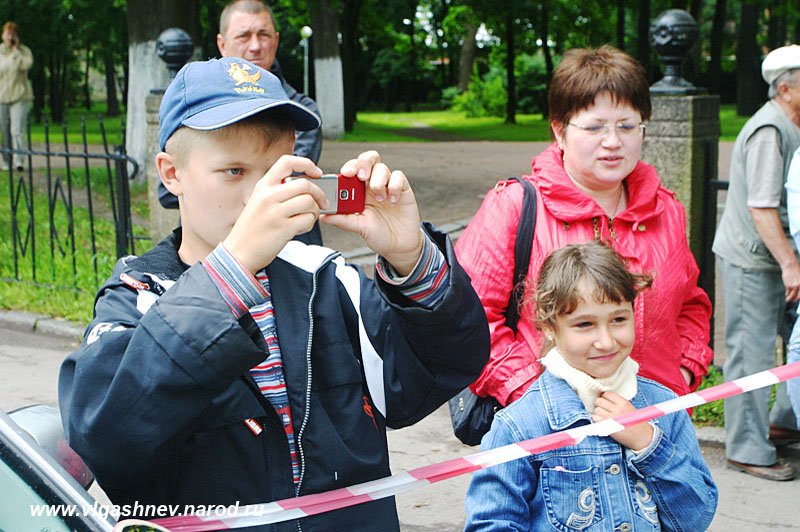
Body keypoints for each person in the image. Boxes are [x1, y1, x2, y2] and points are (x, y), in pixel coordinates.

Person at [58, 57, 489, 531]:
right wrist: (231, 269)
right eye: (234, 171)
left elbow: (435, 375)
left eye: (277, 175)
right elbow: (106, 438)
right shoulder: (138, 296)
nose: (260, 197)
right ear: (171, 173)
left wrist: (414, 259)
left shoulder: (326, 278)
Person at [455, 46, 713, 411]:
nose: (613, 142)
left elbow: (691, 306)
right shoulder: (514, 206)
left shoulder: (665, 210)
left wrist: (682, 374)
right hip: (552, 438)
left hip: (655, 423)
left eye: (627, 126)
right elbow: (468, 323)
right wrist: (537, 401)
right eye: (594, 127)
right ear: (559, 131)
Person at [464, 240, 718, 532]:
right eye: (584, 325)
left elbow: (696, 517)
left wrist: (649, 445)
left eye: (619, 319)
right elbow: (492, 525)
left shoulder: (665, 407)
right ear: (549, 326)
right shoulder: (518, 427)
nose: (607, 341)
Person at [158, 0, 324, 246]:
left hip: (293, 249)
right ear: (222, 44)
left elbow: (295, 178)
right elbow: (165, 194)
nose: (255, 46)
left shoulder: (302, 109)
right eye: (244, 36)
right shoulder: (193, 109)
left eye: (264, 35)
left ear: (276, 40)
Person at [713, 44, 800, 481]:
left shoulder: (791, 123)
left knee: (796, 341)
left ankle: (785, 419)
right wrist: (791, 264)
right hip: (755, 261)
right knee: (752, 355)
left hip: (779, 258)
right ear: (786, 88)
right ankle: (746, 448)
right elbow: (762, 207)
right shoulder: (770, 131)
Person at [0, 21, 33, 172]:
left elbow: (26, 65)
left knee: (16, 129)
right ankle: (6, 160)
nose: (10, 37)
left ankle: (19, 160)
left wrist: (16, 52)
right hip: (2, 97)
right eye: (8, 34)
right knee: (4, 131)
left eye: (13, 34)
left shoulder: (24, 51)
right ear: (3, 35)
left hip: (20, 96)